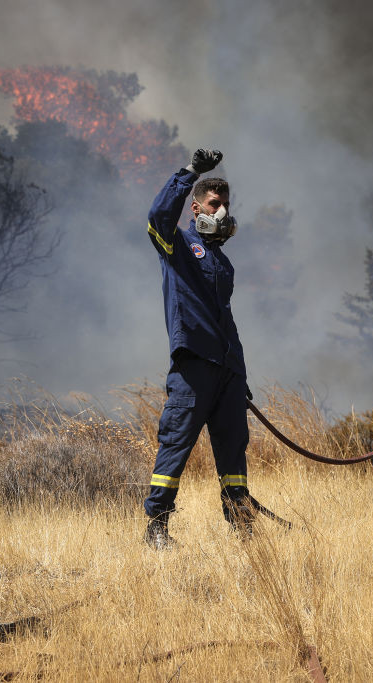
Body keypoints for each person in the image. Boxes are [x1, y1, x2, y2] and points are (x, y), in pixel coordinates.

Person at [142, 148, 258, 549]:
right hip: (193, 369)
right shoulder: (176, 246)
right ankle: (157, 525)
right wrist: (190, 172)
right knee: (176, 446)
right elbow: (158, 216)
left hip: (227, 373)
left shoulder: (222, 263)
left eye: (226, 205)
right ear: (195, 208)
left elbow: (226, 323)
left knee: (234, 452)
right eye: (214, 203)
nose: (222, 211)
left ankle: (241, 520)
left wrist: (239, 375)